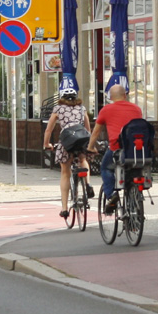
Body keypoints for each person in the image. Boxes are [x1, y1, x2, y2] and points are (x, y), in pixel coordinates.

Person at [86, 84, 143, 214]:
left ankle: (111, 194)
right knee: (134, 172)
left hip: (118, 150)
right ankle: (135, 201)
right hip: (137, 151)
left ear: (110, 97)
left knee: (106, 168)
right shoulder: (137, 109)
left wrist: (90, 147)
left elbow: (95, 132)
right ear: (125, 95)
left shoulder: (106, 110)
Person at [43, 86, 94, 219]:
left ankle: (65, 208)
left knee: (65, 173)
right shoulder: (82, 108)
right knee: (83, 160)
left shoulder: (58, 109)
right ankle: (88, 184)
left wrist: (46, 144)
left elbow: (48, 130)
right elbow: (88, 129)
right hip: (81, 138)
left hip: (67, 142)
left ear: (62, 97)